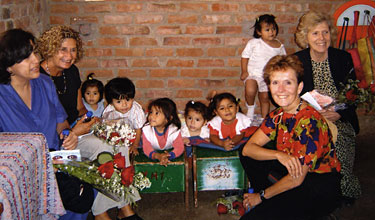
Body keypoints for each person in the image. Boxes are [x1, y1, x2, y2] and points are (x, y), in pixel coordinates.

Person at [239, 54, 342, 219]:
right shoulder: (278, 115)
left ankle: (305, 210)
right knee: (248, 154)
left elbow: (296, 179)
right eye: (275, 83)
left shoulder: (309, 122)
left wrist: (261, 196)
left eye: (288, 82)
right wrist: (279, 155)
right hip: (294, 174)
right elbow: (248, 150)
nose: (281, 90)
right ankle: (276, 197)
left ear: (299, 87)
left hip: (317, 185)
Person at [0, 28, 83, 217]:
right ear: (8, 66)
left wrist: (68, 135)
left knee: (83, 197)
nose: (36, 60)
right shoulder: (2, 96)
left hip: (56, 161)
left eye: (34, 52)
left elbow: (61, 122)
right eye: (26, 57)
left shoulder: (45, 83)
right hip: (23, 174)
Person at [294, 10, 361, 203]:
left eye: (325, 32)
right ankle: (313, 191)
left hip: (338, 117)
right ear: (305, 36)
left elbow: (353, 94)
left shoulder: (343, 58)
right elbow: (290, 96)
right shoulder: (298, 60)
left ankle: (343, 189)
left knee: (339, 140)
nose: (321, 38)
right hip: (309, 118)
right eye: (315, 33)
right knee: (310, 141)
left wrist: (339, 114)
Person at [37, 25, 87, 126]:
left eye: (73, 50)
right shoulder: (37, 77)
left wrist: (95, 123)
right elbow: (43, 122)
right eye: (63, 49)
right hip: (53, 135)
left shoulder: (72, 71)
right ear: (50, 49)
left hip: (74, 126)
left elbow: (80, 108)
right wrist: (73, 132)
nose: (69, 56)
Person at [240, 14, 286, 120]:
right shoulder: (254, 43)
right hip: (253, 74)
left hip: (268, 77)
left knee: (265, 97)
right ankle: (250, 110)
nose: (271, 32)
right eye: (267, 29)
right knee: (250, 91)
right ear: (259, 32)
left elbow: (283, 61)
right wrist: (244, 71)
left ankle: (265, 118)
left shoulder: (279, 45)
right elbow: (244, 56)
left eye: (273, 29)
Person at [102, 77, 146, 156]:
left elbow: (138, 130)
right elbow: (106, 126)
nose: (124, 105)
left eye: (128, 100)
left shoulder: (136, 110)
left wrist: (134, 146)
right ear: (111, 103)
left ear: (133, 99)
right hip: (119, 136)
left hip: (136, 136)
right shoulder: (109, 111)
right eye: (119, 102)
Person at [141, 98, 184, 166]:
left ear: (168, 118)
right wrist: (157, 156)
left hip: (168, 153)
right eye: (151, 112)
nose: (151, 116)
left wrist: (169, 156)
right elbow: (147, 148)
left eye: (157, 113)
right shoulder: (146, 130)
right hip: (155, 153)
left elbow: (179, 147)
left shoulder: (174, 130)